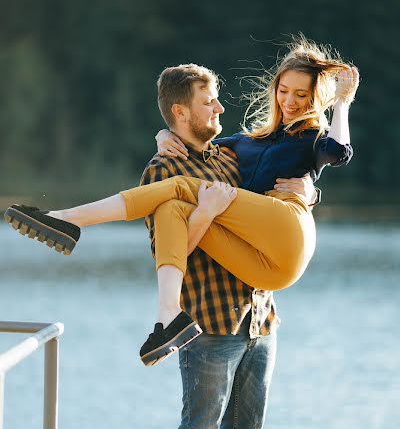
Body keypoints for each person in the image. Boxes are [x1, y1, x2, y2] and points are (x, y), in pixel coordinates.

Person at [4, 38, 357, 429]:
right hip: (211, 320)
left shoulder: (228, 154)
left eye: (297, 93)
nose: (220, 107)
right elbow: (175, 251)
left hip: (259, 310)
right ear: (180, 110)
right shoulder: (161, 171)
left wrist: (308, 192)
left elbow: (302, 167)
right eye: (208, 100)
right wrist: (204, 211)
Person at [4, 40, 358, 368]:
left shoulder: (313, 139)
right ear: (274, 90)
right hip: (263, 266)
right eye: (283, 91)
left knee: (181, 187)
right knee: (171, 206)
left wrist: (341, 104)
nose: (290, 100)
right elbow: (199, 141)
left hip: (290, 232)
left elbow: (339, 152)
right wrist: (164, 134)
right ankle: (168, 314)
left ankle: (67, 219)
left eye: (301, 94)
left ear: (315, 98)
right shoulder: (244, 143)